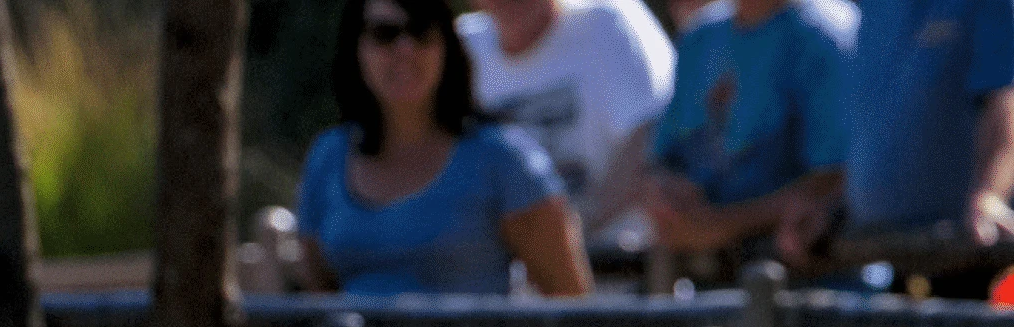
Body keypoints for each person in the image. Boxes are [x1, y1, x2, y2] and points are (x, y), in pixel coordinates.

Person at [296, 0, 592, 296]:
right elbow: (318, 297)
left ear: (447, 45)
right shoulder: (328, 157)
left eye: (421, 31)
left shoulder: (503, 158)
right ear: (355, 47)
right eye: (384, 33)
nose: (405, 48)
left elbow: (569, 305)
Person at [779, 0, 1014, 260]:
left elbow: (1011, 103)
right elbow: (887, 133)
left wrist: (991, 196)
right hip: (897, 259)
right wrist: (832, 208)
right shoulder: (871, 8)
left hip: (997, 255)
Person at [644, 0, 857, 265]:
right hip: (706, 285)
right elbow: (663, 160)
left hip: (811, 285)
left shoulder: (829, 35)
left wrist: (716, 226)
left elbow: (836, 182)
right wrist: (666, 194)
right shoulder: (700, 36)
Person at [456, 0, 675, 243]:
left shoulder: (606, 21)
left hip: (618, 258)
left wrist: (567, 238)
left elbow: (652, 132)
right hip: (508, 266)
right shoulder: (460, 47)